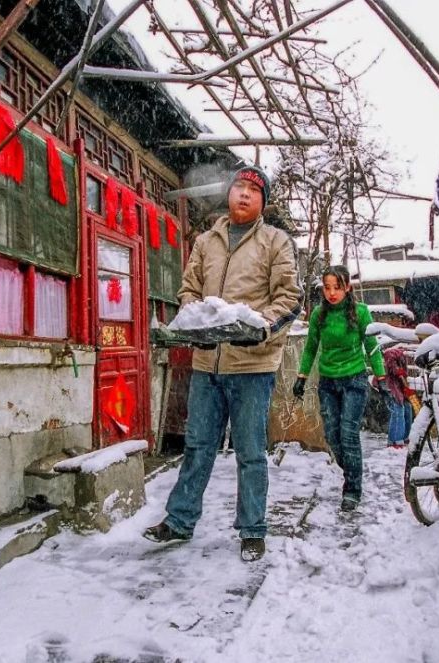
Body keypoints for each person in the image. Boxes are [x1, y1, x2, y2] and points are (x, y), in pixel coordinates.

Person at [143, 165, 303, 562]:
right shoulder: (206, 241)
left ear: (264, 201)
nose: (244, 194)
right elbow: (189, 289)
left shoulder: (275, 241)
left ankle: (252, 530)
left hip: (252, 365)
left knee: (250, 451)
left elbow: (289, 298)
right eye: (239, 188)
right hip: (206, 362)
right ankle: (179, 521)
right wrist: (194, 318)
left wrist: (261, 327)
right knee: (198, 446)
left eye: (253, 190)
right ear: (228, 194)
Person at [292, 265, 386, 511]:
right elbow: (311, 347)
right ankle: (353, 469)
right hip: (328, 382)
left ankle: (352, 489)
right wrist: (301, 376)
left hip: (354, 379)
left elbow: (372, 346)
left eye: (337, 287)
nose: (332, 293)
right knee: (333, 436)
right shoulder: (319, 316)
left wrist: (382, 377)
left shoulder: (361, 313)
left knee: (348, 434)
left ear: (347, 288)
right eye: (327, 288)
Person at [383, 345, 415, 448]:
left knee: (407, 410)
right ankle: (395, 441)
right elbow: (390, 362)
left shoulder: (406, 357)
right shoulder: (392, 353)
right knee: (398, 412)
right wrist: (398, 371)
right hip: (392, 387)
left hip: (401, 388)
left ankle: (405, 438)